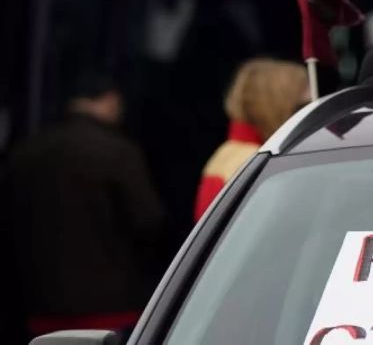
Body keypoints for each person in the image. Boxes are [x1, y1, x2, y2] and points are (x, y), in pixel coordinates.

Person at [9, 74, 166, 338]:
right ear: (111, 100)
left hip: (39, 304)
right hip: (111, 306)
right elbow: (150, 222)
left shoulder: (25, 153)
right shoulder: (118, 151)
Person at [194, 58, 310, 222]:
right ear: (276, 103)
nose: (312, 100)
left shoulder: (228, 152)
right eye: (302, 104)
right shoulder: (258, 160)